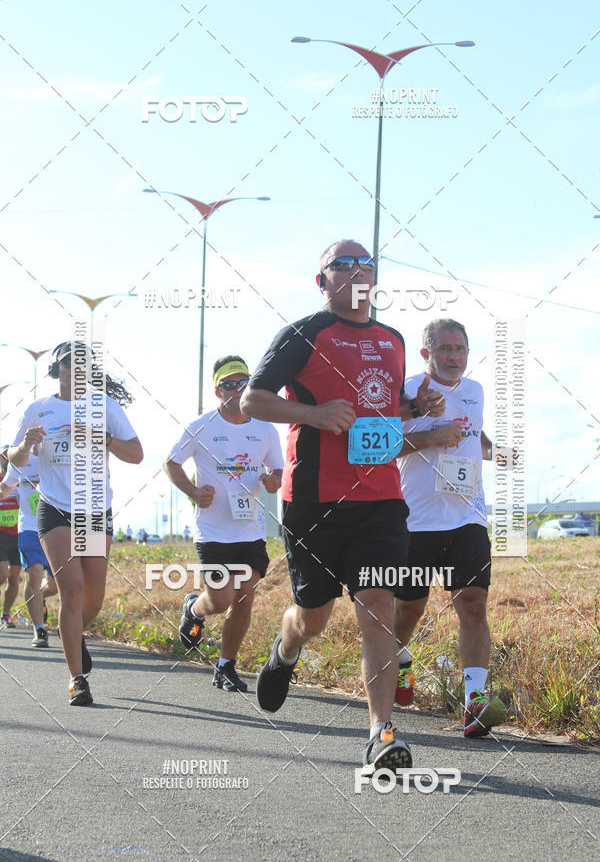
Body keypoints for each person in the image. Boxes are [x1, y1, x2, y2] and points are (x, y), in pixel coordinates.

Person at [241, 239, 446, 774]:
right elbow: (253, 399)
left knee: (377, 609)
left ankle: (380, 734)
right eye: (343, 263)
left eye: (365, 263)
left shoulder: (393, 339)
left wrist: (413, 406)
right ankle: (285, 652)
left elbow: (381, 406)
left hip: (381, 498)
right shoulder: (304, 333)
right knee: (314, 616)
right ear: (322, 280)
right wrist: (311, 414)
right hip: (314, 500)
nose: (357, 270)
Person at [9, 341, 143, 706]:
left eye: (84, 364)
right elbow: (14, 459)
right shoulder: (40, 409)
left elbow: (137, 453)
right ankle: (77, 679)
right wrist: (26, 444)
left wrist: (105, 438)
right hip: (55, 509)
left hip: (96, 510)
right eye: (70, 364)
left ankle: (74, 633)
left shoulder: (106, 407)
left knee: (92, 598)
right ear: (58, 370)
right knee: (71, 590)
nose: (77, 370)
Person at [394, 318, 507, 737]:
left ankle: (475, 703)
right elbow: (380, 445)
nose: (454, 356)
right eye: (445, 349)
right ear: (426, 354)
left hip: (467, 517)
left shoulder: (475, 391)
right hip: (415, 521)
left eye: (460, 348)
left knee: (474, 603)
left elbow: (473, 433)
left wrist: (497, 451)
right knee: (409, 608)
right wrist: (429, 437)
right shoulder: (408, 391)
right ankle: (399, 657)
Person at [164, 355, 283, 692]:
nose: (238, 389)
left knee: (244, 597)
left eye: (244, 382)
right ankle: (194, 608)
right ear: (217, 390)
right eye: (230, 384)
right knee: (220, 599)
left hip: (250, 529)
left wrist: (273, 480)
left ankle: (225, 665)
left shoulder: (265, 428)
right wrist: (192, 491)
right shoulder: (201, 426)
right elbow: (171, 463)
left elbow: (277, 470)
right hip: (213, 530)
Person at [0, 453, 57, 647]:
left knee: (56, 586)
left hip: (56, 529)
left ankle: (38, 599)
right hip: (28, 529)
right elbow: (5, 490)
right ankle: (39, 629)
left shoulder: (61, 460)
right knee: (33, 574)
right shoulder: (20, 463)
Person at [0, 446, 21, 628]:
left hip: (18, 534)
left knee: (14, 578)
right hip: (0, 535)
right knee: (2, 574)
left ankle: (6, 614)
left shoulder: (22, 480)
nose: (7, 461)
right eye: (3, 458)